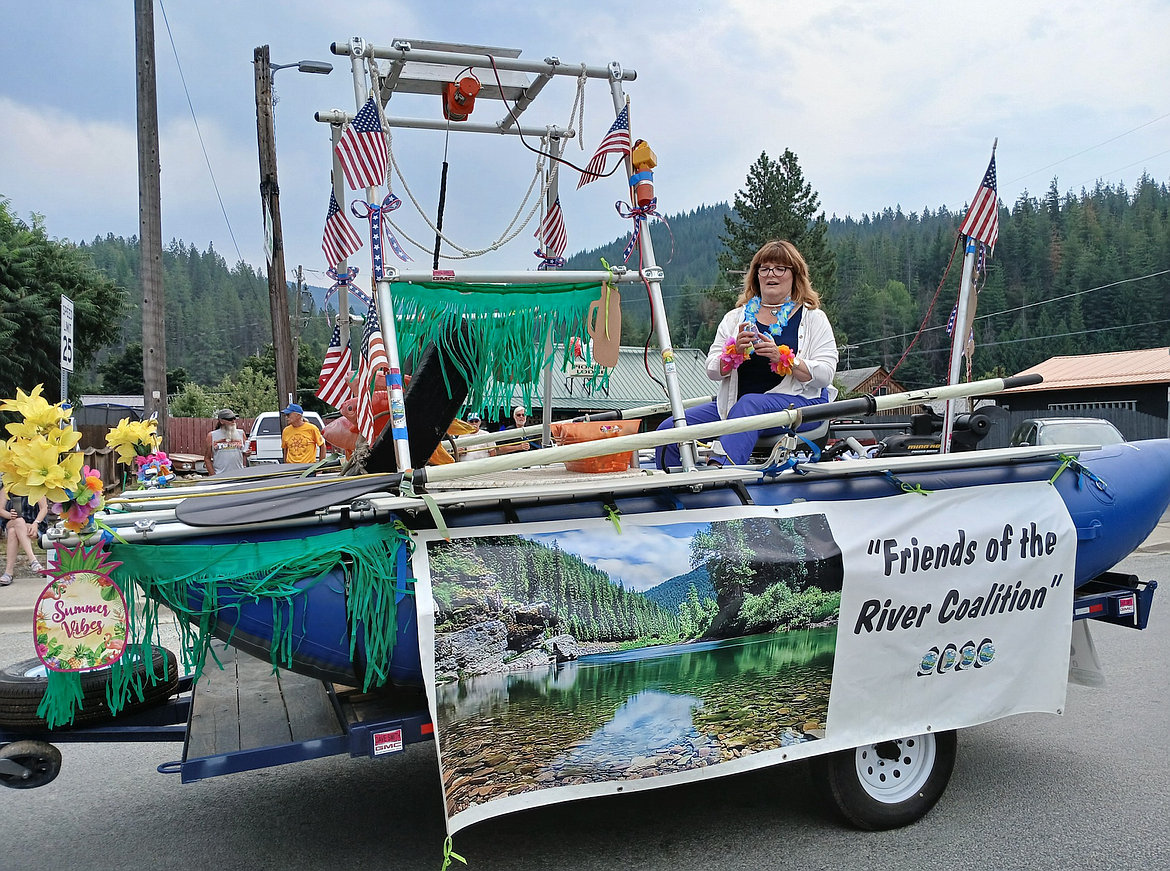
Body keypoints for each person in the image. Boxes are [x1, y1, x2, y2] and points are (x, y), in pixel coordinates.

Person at [657, 239, 838, 469]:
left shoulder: (813, 318)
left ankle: (719, 475)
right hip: (735, 406)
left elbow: (826, 375)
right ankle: (672, 488)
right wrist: (734, 354)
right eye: (764, 268)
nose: (771, 274)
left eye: (780, 268)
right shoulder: (735, 318)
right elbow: (712, 369)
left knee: (750, 404)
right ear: (756, 275)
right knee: (669, 429)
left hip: (799, 407)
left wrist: (786, 360)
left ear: (795, 275)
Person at [0, 487, 49, 586]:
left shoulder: (36, 484)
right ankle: (33, 560)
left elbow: (44, 508)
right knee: (18, 521)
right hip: (11, 521)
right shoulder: (8, 486)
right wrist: (10, 515)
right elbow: (0, 509)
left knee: (13, 532)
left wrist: (35, 523)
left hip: (33, 524)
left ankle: (8, 573)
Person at [204, 408, 248, 476]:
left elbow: (245, 453)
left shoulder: (241, 434)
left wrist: (248, 453)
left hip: (239, 474)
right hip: (221, 475)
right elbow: (207, 458)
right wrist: (213, 476)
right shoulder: (212, 436)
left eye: (234, 418)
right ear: (221, 421)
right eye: (230, 419)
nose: (233, 421)